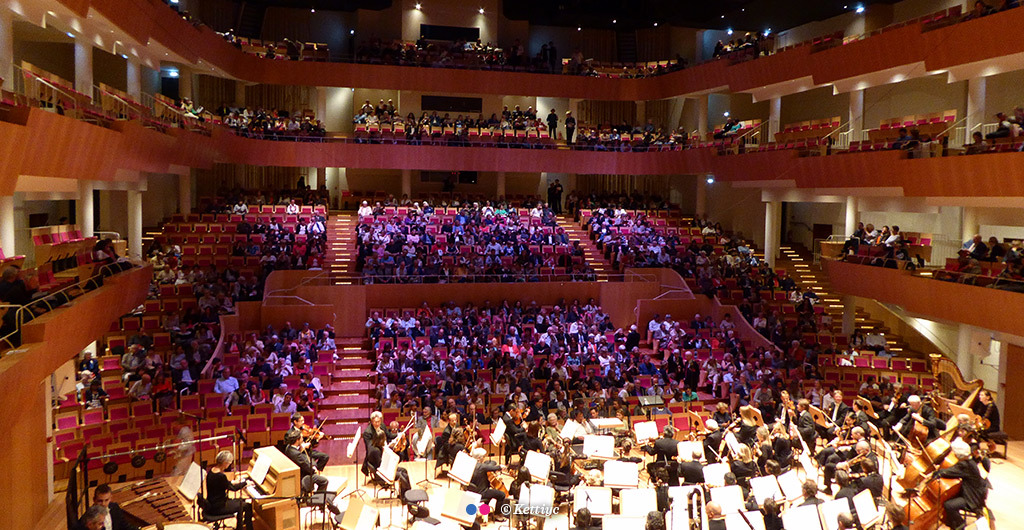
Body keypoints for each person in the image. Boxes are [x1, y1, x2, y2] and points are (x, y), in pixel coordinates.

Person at [933, 440, 988, 529]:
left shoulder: (965, 465)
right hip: (975, 494)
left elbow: (949, 472)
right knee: (950, 498)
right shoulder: (970, 462)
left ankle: (960, 525)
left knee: (949, 505)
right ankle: (951, 523)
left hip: (972, 498)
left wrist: (937, 472)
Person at [205, 450, 254, 530]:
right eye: (229, 462)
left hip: (213, 504)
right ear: (224, 462)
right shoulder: (221, 476)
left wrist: (234, 482)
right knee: (247, 505)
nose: (229, 464)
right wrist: (245, 483)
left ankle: (240, 526)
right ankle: (248, 528)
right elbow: (233, 489)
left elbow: (223, 484)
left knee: (242, 502)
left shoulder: (211, 471)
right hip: (219, 507)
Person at [468, 447, 508, 522]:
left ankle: (484, 511)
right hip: (482, 492)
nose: (484, 458)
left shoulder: (470, 464)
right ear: (479, 457)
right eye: (483, 457)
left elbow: (491, 463)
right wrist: (501, 467)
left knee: (490, 492)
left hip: (472, 491)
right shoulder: (481, 467)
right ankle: (497, 515)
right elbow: (494, 467)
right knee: (501, 495)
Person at [361, 410, 394, 477]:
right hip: (374, 455)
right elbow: (370, 447)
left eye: (379, 421)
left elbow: (389, 435)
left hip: (383, 450)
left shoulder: (382, 425)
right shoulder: (367, 433)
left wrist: (399, 434)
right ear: (372, 422)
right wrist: (382, 448)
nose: (377, 424)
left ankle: (392, 468)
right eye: (375, 422)